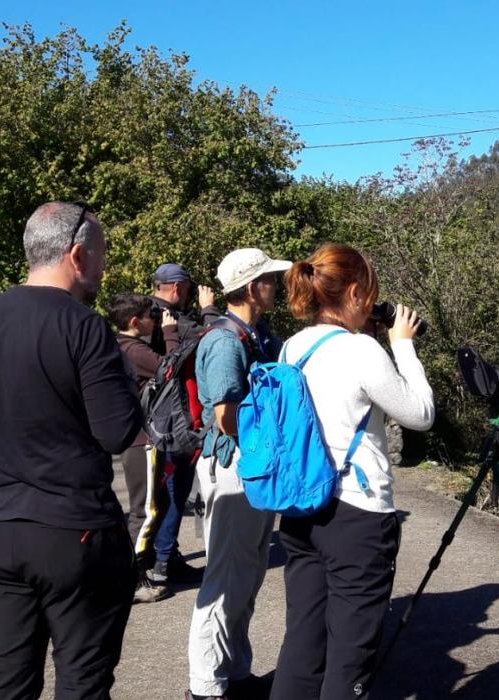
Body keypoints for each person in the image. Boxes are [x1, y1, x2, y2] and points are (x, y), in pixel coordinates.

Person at [0, 201, 143, 700]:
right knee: (82, 678)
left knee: (7, 679)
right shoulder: (84, 326)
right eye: (101, 255)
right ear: (77, 255)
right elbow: (117, 432)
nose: (104, 267)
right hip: (73, 531)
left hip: (0, 529)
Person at [269, 243, 435, 700]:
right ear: (356, 292)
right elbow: (420, 414)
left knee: (302, 643)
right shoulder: (363, 350)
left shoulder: (292, 346)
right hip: (357, 515)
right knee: (350, 656)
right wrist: (403, 346)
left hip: (302, 508)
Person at [187, 248, 291, 700]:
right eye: (270, 280)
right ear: (252, 288)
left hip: (250, 466)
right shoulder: (226, 342)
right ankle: (206, 686)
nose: (277, 286)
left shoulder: (254, 335)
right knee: (226, 575)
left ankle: (236, 672)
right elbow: (226, 417)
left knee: (247, 573)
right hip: (233, 466)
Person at [148, 262, 220, 588]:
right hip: (174, 418)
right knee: (175, 491)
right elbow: (214, 337)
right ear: (177, 288)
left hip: (151, 418)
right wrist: (208, 310)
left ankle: (166, 555)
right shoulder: (172, 319)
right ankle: (163, 562)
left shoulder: (141, 313)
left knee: (160, 494)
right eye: (188, 290)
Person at [108, 293, 178, 604]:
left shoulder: (120, 345)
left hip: (139, 439)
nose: (156, 320)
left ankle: (137, 571)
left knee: (157, 503)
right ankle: (133, 579)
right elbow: (171, 370)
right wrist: (172, 334)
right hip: (142, 441)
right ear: (135, 322)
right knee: (145, 510)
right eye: (151, 315)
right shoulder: (134, 350)